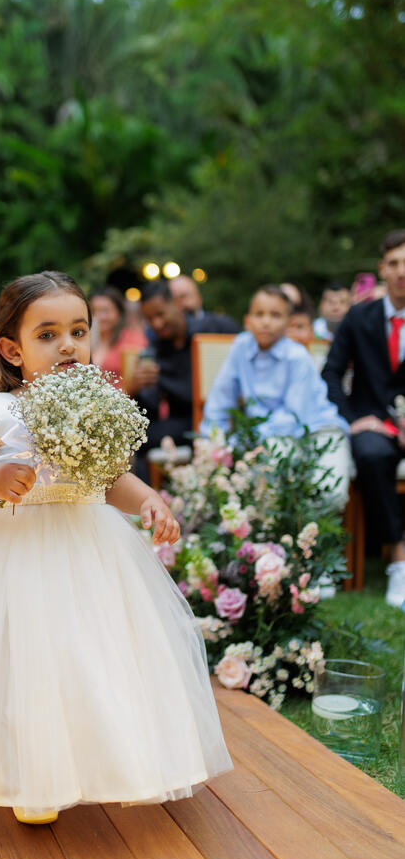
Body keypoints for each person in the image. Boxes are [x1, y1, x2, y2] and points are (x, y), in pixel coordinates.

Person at [0, 270, 232, 824]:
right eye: (47, 334)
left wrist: (149, 498)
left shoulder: (99, 403)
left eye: (79, 330)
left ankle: (100, 761)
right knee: (16, 660)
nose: (68, 344)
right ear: (12, 349)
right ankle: (26, 772)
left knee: (92, 657)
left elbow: (110, 475)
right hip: (10, 549)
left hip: (87, 547)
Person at [201, 285, 351, 510]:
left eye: (275, 315)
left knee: (330, 494)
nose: (266, 322)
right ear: (247, 319)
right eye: (259, 314)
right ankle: (272, 542)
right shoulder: (240, 347)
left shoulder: (296, 356)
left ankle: (308, 540)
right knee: (267, 471)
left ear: (289, 322)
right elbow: (220, 400)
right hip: (275, 437)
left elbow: (293, 416)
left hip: (318, 430)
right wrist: (213, 442)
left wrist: (245, 441)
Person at [323, 229, 405, 606]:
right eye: (394, 263)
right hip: (371, 423)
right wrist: (353, 419)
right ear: (382, 269)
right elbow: (331, 374)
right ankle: (398, 559)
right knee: (371, 454)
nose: (402, 271)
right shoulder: (359, 317)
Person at [132, 280, 238, 468]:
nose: (157, 323)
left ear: (175, 304)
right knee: (136, 437)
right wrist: (135, 387)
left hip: (222, 416)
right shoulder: (154, 349)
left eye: (160, 314)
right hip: (182, 422)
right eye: (150, 319)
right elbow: (151, 410)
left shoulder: (215, 328)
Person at [90, 285, 147, 389]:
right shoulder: (88, 339)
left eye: (105, 311)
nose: (99, 317)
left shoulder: (133, 340)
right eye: (95, 311)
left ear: (119, 312)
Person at [169, 274, 239, 332]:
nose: (179, 303)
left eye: (183, 297)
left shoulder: (223, 325)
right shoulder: (165, 334)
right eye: (174, 300)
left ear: (199, 297)